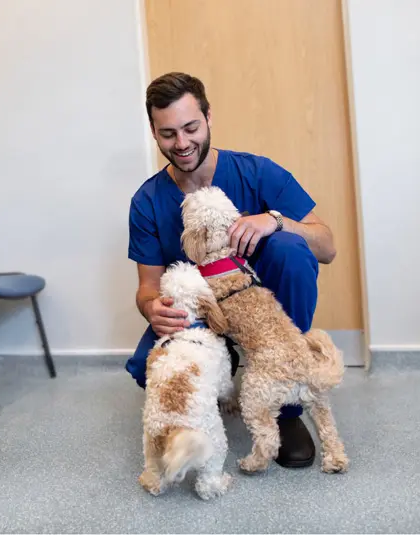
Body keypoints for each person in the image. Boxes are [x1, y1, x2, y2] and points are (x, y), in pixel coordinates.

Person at [125, 72, 338, 469]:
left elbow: (327, 246)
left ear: (209, 117)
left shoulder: (258, 172)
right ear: (154, 133)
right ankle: (220, 379)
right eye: (168, 133)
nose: (182, 143)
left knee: (290, 248)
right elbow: (147, 289)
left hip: (264, 315)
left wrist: (276, 220)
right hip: (202, 313)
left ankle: (286, 408)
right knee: (145, 369)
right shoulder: (147, 200)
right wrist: (152, 307)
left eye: (191, 127)